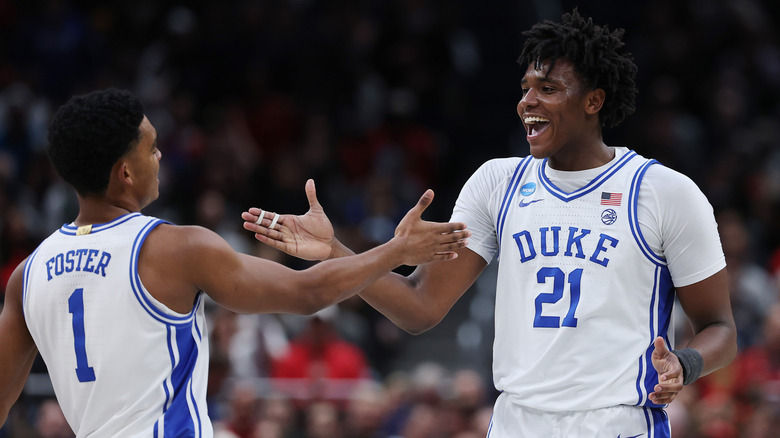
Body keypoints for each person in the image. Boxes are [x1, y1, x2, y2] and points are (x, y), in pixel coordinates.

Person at [242, 9, 737, 436]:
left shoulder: (664, 192)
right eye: (526, 89)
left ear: (594, 101)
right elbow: (420, 307)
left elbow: (720, 328)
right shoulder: (496, 182)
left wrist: (685, 363)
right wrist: (336, 251)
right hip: (516, 422)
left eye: (548, 89)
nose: (528, 102)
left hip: (618, 423)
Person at [0, 88, 470, 437]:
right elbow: (307, 293)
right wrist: (396, 251)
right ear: (125, 172)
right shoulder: (171, 249)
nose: (160, 155)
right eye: (151, 147)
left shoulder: (27, 275)